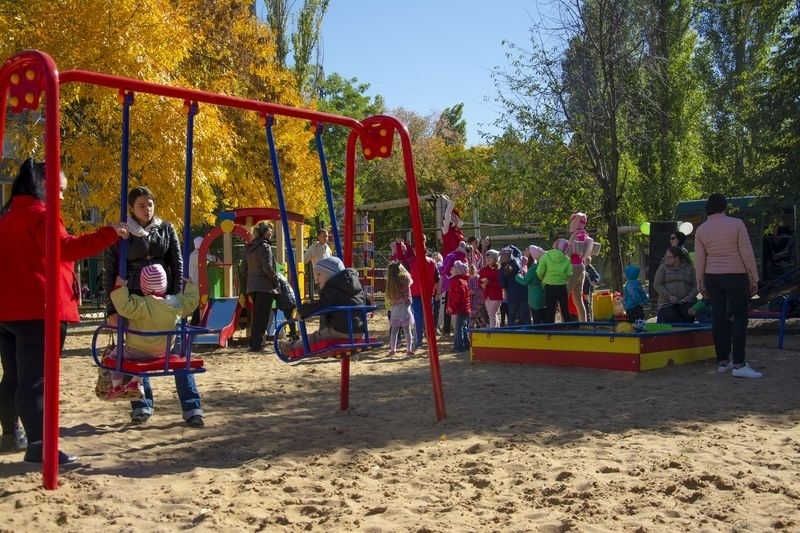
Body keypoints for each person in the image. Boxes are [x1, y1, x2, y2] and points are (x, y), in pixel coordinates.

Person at [0, 159, 128, 464]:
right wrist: (109, 234)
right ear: (42, 184)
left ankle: (11, 434)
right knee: (36, 379)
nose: (61, 197)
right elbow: (66, 248)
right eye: (58, 189)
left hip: (7, 308)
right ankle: (39, 446)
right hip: (37, 307)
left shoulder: (6, 217)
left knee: (14, 377)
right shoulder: (42, 216)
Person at [105, 186, 205, 427]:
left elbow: (176, 262)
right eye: (141, 205)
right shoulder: (122, 232)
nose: (147, 209)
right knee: (137, 352)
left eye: (150, 204)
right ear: (131, 208)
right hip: (134, 298)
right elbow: (111, 271)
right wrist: (112, 310)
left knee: (178, 352)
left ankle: (192, 407)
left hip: (164, 297)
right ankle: (142, 405)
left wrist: (178, 294)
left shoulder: (165, 228)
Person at [106, 265, 199, 400]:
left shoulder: (141, 304)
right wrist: (190, 285)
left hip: (137, 351)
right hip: (164, 350)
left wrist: (119, 288)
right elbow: (191, 302)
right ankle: (134, 383)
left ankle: (116, 386)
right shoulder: (175, 303)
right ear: (165, 284)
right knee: (147, 357)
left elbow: (124, 306)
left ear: (143, 287)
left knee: (114, 357)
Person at [695, 193, 761, 378]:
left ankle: (723, 361)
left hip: (712, 277)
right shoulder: (737, 224)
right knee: (740, 317)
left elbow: (700, 260)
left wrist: (701, 283)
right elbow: (746, 253)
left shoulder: (701, 230)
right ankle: (739, 364)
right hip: (735, 276)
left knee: (718, 317)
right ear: (725, 207)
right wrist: (753, 278)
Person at [277, 257, 368, 355]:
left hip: (342, 331)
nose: (316, 280)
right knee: (326, 329)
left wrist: (303, 310)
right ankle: (325, 350)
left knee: (315, 338)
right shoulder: (355, 286)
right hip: (360, 331)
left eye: (319, 274)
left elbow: (322, 306)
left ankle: (290, 347)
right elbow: (367, 302)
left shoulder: (332, 287)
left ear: (330, 274)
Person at [241, 221, 280, 352]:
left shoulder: (249, 247)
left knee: (257, 315)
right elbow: (267, 267)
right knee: (263, 316)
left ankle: (254, 343)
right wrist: (275, 279)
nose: (271, 232)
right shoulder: (265, 247)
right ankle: (258, 345)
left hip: (253, 286)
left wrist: (250, 280)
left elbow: (243, 269)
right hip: (265, 286)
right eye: (269, 230)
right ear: (264, 232)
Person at [407, 235, 438, 349]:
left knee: (418, 318)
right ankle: (430, 339)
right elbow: (437, 279)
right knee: (429, 317)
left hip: (415, 293)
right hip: (428, 294)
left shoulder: (410, 262)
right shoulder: (432, 262)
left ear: (415, 250)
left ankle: (418, 341)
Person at [653, 246, 697, 323]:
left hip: (686, 301)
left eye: (669, 257)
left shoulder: (689, 268)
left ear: (676, 258)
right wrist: (669, 296)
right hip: (667, 302)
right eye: (665, 256)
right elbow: (657, 284)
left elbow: (697, 285)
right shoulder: (662, 268)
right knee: (670, 315)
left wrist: (691, 296)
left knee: (688, 314)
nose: (665, 258)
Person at [537, 238, 573, 323]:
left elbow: (540, 271)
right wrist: (563, 278)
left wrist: (542, 278)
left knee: (550, 308)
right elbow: (569, 273)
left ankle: (550, 327)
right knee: (564, 307)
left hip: (549, 285)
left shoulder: (546, 256)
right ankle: (568, 325)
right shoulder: (567, 259)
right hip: (562, 286)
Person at [567, 212, 594, 321]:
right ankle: (584, 322)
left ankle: (564, 323)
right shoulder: (586, 235)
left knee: (564, 296)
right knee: (578, 299)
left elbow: (568, 252)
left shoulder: (574, 235)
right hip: (582, 268)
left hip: (573, 268)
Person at [385, 261, 415, 355]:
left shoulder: (391, 282)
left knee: (394, 330)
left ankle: (393, 349)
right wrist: (404, 270)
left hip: (394, 308)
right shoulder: (405, 278)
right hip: (405, 306)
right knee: (407, 329)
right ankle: (409, 349)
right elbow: (411, 281)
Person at [499, 245, 531, 326]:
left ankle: (511, 332)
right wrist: (511, 246)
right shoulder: (517, 260)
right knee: (525, 314)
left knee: (512, 315)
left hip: (512, 295)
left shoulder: (502, 269)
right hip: (523, 292)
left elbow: (502, 284)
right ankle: (530, 330)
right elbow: (519, 252)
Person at [516, 245, 546, 324]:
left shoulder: (534, 269)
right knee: (546, 321)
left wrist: (518, 276)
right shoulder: (547, 267)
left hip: (535, 298)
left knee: (537, 321)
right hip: (545, 297)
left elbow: (525, 281)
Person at [446, 260, 470, 353]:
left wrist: (451, 307)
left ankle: (458, 347)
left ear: (458, 271)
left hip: (460, 308)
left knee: (458, 327)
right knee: (462, 327)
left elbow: (458, 297)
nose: (451, 269)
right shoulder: (459, 280)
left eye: (454, 267)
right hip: (463, 307)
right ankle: (466, 345)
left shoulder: (458, 281)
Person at [303, 228, 332, 300]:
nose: (326, 238)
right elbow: (304, 260)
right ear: (318, 237)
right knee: (324, 298)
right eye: (324, 236)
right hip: (320, 279)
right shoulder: (313, 248)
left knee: (330, 299)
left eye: (327, 236)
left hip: (329, 278)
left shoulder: (328, 248)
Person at [479, 249, 503, 327]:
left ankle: (492, 330)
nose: (488, 259)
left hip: (496, 295)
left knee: (491, 313)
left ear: (495, 259)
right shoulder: (484, 269)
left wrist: (488, 282)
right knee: (491, 313)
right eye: (486, 258)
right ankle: (497, 329)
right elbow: (479, 281)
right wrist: (481, 284)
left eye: (490, 257)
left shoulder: (498, 269)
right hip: (487, 295)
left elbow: (500, 283)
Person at [583, 256, 601, 321]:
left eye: (588, 261)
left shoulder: (590, 268)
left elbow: (597, 276)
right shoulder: (581, 266)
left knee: (589, 304)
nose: (587, 262)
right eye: (586, 261)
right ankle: (585, 318)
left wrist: (595, 281)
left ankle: (590, 320)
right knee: (584, 304)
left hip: (589, 289)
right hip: (582, 288)